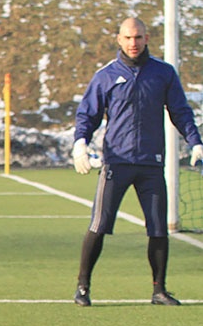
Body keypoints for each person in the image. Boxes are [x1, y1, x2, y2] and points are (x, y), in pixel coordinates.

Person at [71, 17, 203, 307]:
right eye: (128, 38)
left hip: (152, 163)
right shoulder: (106, 75)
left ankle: (159, 290)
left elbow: (180, 111)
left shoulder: (163, 73)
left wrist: (195, 141)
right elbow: (87, 115)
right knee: (100, 223)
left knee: (158, 227)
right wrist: (80, 142)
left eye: (139, 37)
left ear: (147, 38)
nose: (134, 43)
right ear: (119, 39)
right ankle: (83, 287)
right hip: (116, 163)